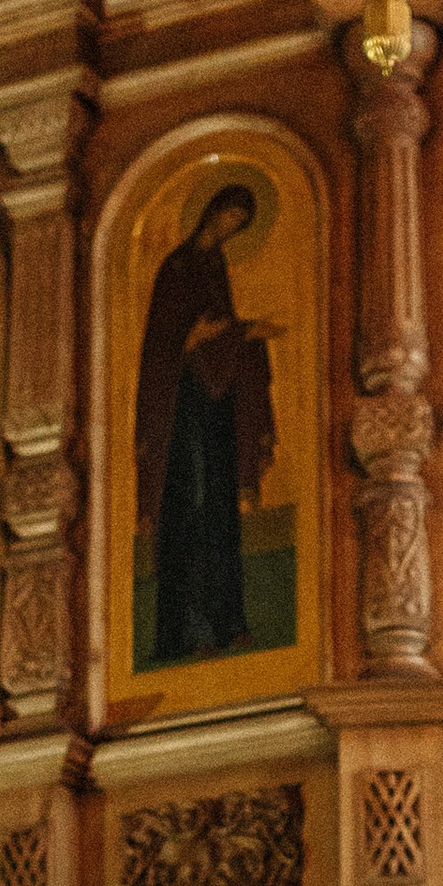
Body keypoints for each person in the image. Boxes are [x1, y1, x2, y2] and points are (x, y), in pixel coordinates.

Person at [133, 182, 281, 663]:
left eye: (240, 223)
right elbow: (163, 343)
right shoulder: (176, 267)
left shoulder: (216, 267)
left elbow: (218, 334)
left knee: (220, 508)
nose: (231, 227)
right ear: (212, 210)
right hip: (181, 407)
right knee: (188, 508)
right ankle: (184, 631)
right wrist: (205, 335)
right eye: (230, 215)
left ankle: (228, 624)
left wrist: (241, 334)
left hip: (215, 402)